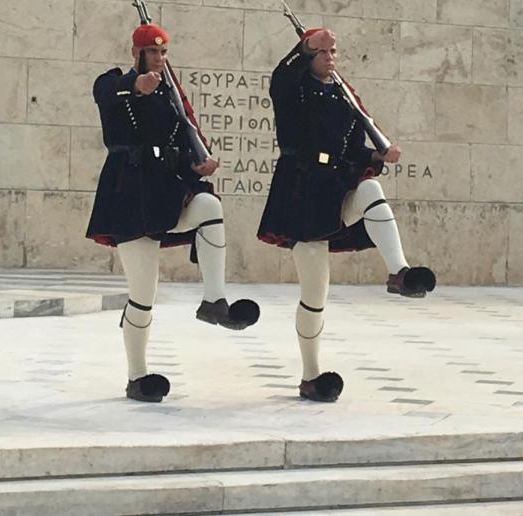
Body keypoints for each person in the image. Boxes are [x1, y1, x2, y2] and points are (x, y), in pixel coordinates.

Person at [258, 27, 435, 403]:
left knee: (371, 189)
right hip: (303, 190)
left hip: (336, 185)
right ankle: (310, 376)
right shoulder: (294, 89)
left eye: (333, 51)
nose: (329, 56)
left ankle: (399, 272)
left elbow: (356, 149)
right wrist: (304, 46)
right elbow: (280, 77)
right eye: (322, 51)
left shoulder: (343, 94)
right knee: (315, 294)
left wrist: (378, 156)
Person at [87, 21, 259, 403]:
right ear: (137, 53)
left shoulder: (169, 96)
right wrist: (134, 86)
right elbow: (102, 93)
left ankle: (214, 301)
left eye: (165, 53)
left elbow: (179, 142)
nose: (161, 60)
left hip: (165, 188)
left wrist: (196, 165)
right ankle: (137, 376)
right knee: (143, 295)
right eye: (154, 52)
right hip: (130, 195)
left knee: (209, 205)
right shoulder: (115, 82)